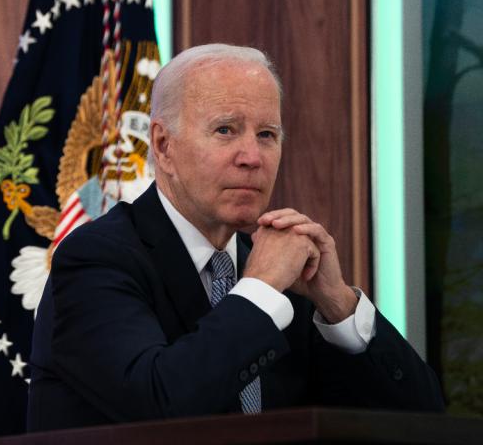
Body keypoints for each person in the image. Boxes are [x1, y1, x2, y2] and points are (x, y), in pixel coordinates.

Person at [26, 44, 444, 431]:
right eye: (226, 130)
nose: (252, 157)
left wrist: (337, 303)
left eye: (267, 135)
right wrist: (259, 289)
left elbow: (423, 420)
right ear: (163, 145)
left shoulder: (285, 272)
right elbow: (158, 405)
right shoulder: (95, 259)